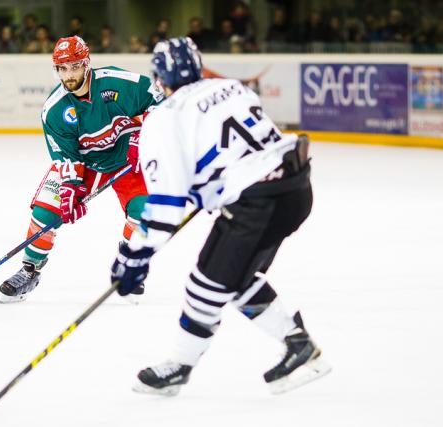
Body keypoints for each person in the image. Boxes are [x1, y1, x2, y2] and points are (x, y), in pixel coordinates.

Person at [110, 37, 331, 396]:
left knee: (206, 285)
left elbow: (166, 204)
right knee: (236, 277)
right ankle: (298, 344)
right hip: (296, 187)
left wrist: (133, 257)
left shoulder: (164, 118)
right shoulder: (230, 87)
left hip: (257, 201)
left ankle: (179, 368)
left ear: (159, 77)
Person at [0, 36, 163, 303]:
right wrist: (71, 186)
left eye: (74, 66)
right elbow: (65, 155)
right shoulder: (54, 110)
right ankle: (29, 270)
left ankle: (130, 262)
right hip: (86, 163)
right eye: (62, 68)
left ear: (86, 63)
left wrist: (141, 138)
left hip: (128, 157)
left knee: (144, 212)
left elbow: (162, 100)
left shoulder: (118, 82)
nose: (69, 74)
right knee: (46, 213)